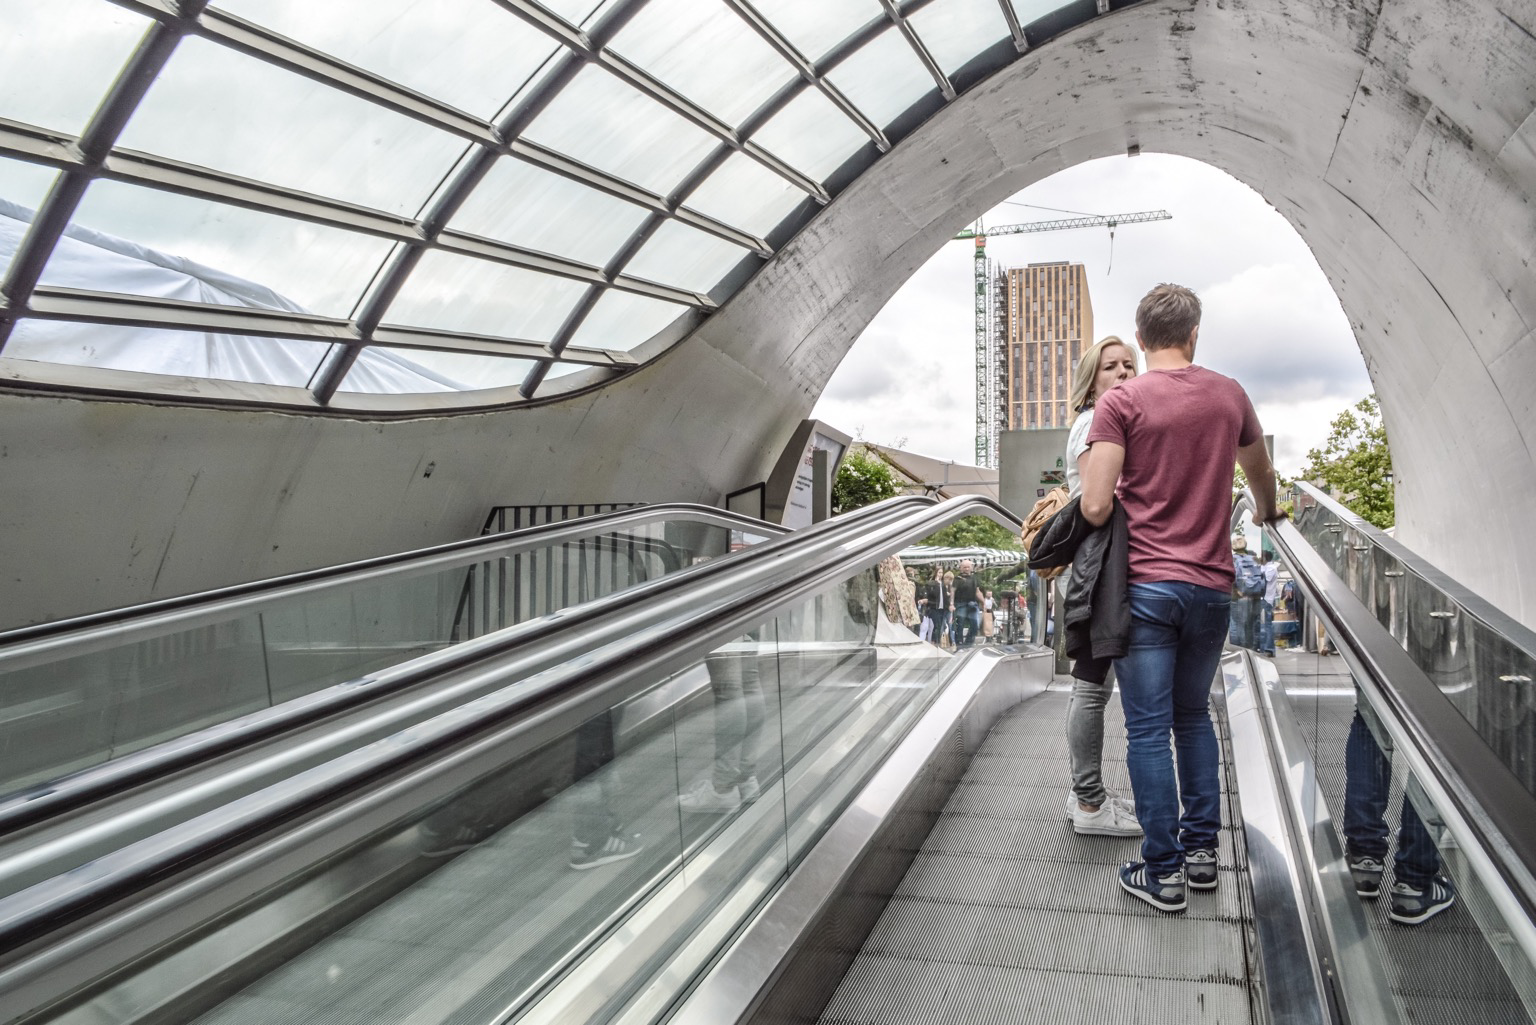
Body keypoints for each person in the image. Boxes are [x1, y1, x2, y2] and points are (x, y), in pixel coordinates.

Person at [1080, 283, 1281, 913]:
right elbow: (1261, 476)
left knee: (1145, 731)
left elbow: (1093, 502)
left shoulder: (1121, 401)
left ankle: (1161, 871)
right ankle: (1202, 857)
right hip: (1212, 588)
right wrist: (1270, 516)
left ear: (1139, 338)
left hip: (1144, 587)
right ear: (1194, 334)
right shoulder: (1229, 395)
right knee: (1194, 717)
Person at [1061, 335, 1142, 837]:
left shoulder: (1108, 424)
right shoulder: (1094, 423)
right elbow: (1100, 500)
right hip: (1100, 571)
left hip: (1106, 567)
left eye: (1130, 365)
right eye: (1111, 367)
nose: (1123, 374)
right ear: (1092, 382)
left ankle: (1091, 798)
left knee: (1095, 684)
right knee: (1091, 687)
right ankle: (1090, 803)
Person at [1229, 535, 1263, 650]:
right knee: (1252, 624)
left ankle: (1238, 649)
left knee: (1237, 624)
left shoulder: (1233, 559)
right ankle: (1253, 648)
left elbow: (1232, 577)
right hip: (1255, 595)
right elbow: (1263, 577)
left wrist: (1236, 591)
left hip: (1239, 597)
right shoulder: (1254, 559)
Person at [952, 559, 980, 647]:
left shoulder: (974, 578)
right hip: (960, 603)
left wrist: (983, 602)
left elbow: (977, 591)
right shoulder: (957, 579)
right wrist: (951, 604)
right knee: (960, 624)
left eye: (968, 567)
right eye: (964, 567)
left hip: (972, 603)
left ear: (971, 568)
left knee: (975, 624)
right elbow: (952, 591)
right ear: (961, 568)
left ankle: (969, 642)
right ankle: (959, 642)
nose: (966, 569)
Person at [1258, 551, 1279, 656]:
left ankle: (1269, 649)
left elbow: (1264, 579)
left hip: (1266, 599)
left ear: (1265, 558)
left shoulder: (1271, 568)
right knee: (1262, 624)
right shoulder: (1264, 567)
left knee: (1266, 625)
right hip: (1263, 599)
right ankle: (1263, 648)